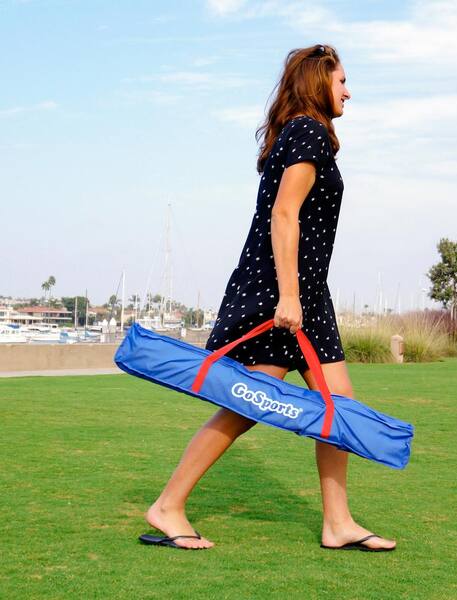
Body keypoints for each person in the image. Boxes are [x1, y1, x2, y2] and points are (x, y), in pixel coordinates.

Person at [142, 44, 396, 551]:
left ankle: (338, 522)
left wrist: (301, 294)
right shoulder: (308, 131)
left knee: (335, 405)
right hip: (282, 292)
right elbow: (284, 215)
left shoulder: (306, 132)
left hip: (304, 292)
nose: (349, 90)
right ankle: (168, 505)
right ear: (317, 82)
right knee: (249, 404)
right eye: (342, 80)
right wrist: (288, 296)